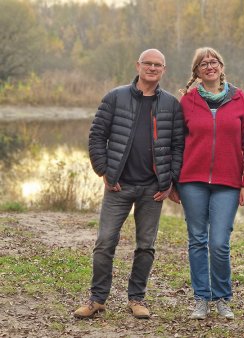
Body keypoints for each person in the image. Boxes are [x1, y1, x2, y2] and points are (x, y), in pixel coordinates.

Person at [74, 49, 184, 320]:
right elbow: (97, 136)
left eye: (158, 65)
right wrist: (104, 171)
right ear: (138, 65)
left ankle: (137, 299)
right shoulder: (115, 97)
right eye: (148, 63)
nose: (152, 68)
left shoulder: (171, 104)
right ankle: (97, 299)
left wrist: (169, 180)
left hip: (153, 189)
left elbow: (178, 146)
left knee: (146, 246)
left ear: (164, 70)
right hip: (118, 186)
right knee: (104, 242)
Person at [171, 47, 244, 320]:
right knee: (197, 240)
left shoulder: (239, 98)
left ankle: (222, 298)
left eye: (213, 61)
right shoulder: (188, 101)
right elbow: (177, 144)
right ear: (196, 71)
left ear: (221, 66)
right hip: (192, 181)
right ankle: (201, 299)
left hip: (228, 182)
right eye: (203, 63)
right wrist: (174, 181)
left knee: (219, 243)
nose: (209, 66)